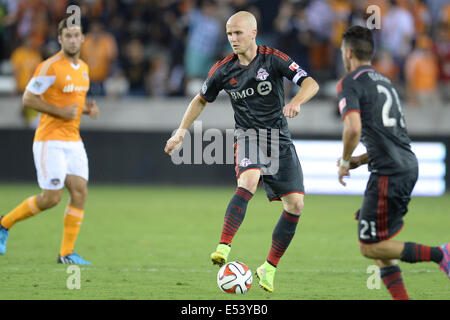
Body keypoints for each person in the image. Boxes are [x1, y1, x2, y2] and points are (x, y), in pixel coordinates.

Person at [165, 11, 319, 293]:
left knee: (295, 205)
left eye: (237, 33)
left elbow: (311, 83)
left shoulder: (273, 58)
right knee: (249, 179)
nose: (232, 39)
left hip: (279, 139)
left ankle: (268, 268)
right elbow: (200, 100)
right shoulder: (223, 69)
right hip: (247, 135)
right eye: (229, 34)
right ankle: (223, 246)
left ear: (253, 33)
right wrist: (181, 131)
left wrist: (297, 101)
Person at [336, 25, 449, 300]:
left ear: (348, 53)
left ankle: (441, 253)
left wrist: (345, 160)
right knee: (380, 243)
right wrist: (361, 160)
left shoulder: (350, 82)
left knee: (369, 246)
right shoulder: (387, 82)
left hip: (389, 172)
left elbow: (352, 129)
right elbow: (391, 135)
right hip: (406, 164)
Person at [0, 18, 99, 265]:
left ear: (83, 38)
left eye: (77, 35)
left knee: (80, 192)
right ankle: (4, 223)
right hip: (49, 140)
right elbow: (28, 98)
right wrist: (58, 111)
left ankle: (66, 253)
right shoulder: (49, 67)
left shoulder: (84, 69)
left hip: (73, 140)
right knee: (51, 198)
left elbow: (71, 103)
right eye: (68, 35)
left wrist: (86, 110)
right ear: (60, 39)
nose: (73, 39)